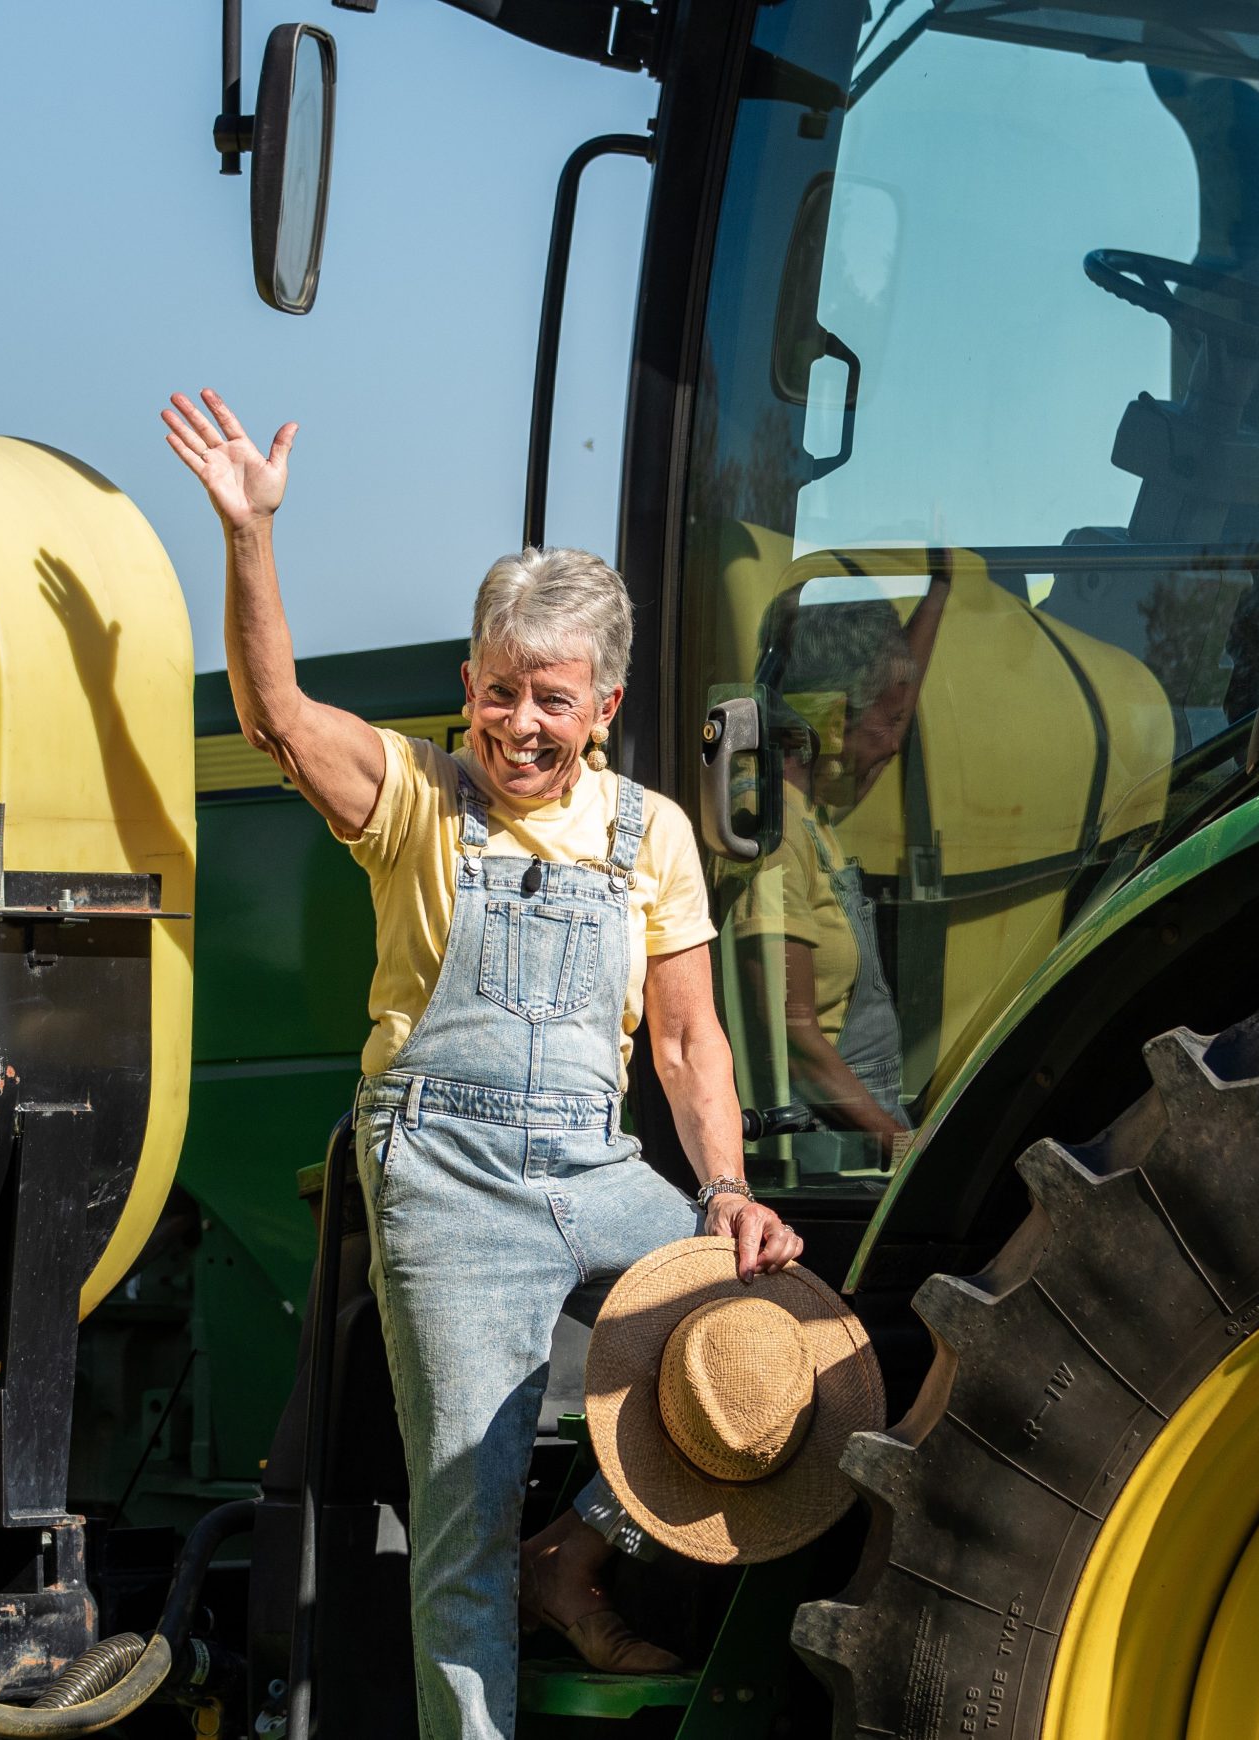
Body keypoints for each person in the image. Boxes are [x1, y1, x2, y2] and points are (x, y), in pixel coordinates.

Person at [161, 389, 802, 1740]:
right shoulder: (416, 806)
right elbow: (275, 711)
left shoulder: (653, 836)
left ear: (604, 705)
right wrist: (249, 537)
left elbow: (687, 1038)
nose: (519, 724)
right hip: (446, 1183)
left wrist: (729, 1191)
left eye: (550, 699)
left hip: (598, 1167)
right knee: (462, 1514)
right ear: (467, 687)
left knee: (779, 1336)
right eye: (498, 690)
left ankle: (577, 1550)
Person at [728, 571, 950, 1157]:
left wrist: (941, 587)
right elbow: (795, 1041)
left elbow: (891, 700)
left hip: (857, 1125)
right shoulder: (770, 833)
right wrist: (900, 1146)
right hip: (826, 1144)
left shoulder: (810, 810)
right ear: (830, 719)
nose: (895, 742)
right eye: (886, 718)